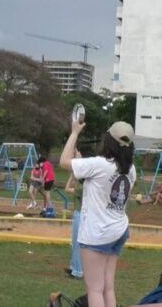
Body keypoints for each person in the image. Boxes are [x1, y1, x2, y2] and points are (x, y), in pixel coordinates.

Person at [60, 121, 136, 307]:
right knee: (108, 287)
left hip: (97, 234)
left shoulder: (99, 164)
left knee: (94, 289)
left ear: (108, 140)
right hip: (118, 230)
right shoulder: (131, 169)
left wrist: (75, 133)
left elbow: (63, 162)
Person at [64, 149, 83, 280]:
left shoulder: (81, 188)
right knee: (75, 243)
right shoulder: (82, 186)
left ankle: (77, 271)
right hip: (80, 214)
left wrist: (73, 173)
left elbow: (67, 188)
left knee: (77, 243)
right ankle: (74, 267)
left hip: (80, 215)